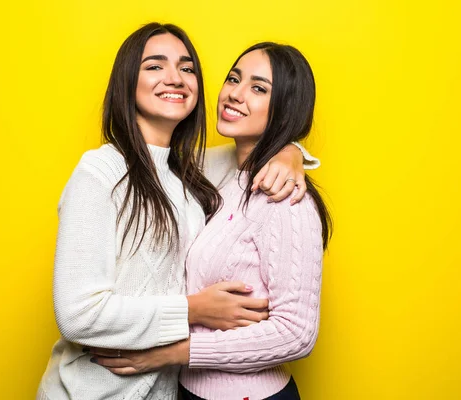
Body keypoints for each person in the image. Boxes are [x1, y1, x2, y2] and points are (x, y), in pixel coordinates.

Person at [37, 24, 316, 400]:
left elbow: (256, 153)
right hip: (92, 391)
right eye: (155, 66)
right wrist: (193, 310)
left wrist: (292, 151)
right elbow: (77, 315)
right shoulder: (100, 173)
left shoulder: (191, 171)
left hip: (169, 391)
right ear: (126, 82)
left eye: (187, 68)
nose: (175, 78)